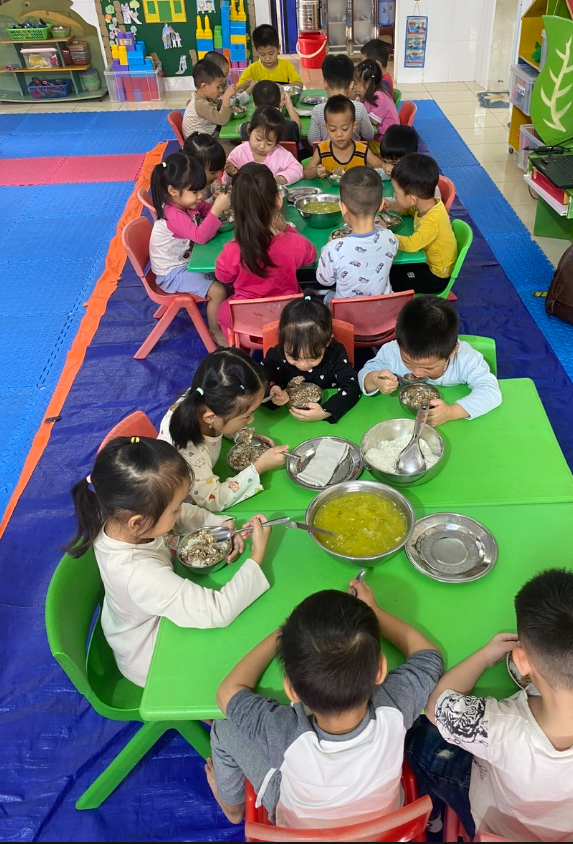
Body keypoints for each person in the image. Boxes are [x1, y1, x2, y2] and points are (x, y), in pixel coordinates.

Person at [206, 583, 443, 826]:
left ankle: (232, 810)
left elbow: (227, 693)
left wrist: (285, 633)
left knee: (223, 727)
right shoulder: (393, 707)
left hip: (300, 831)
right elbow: (429, 657)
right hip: (383, 830)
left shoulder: (284, 734)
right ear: (380, 669)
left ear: (292, 691)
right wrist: (375, 611)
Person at [64, 436, 272, 688]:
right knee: (243, 653)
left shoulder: (118, 517)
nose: (180, 511)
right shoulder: (139, 573)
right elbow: (218, 610)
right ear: (138, 522)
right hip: (151, 657)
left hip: (140, 622)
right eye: (175, 509)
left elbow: (181, 514)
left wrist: (221, 524)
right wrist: (257, 555)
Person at [406, 568, 573, 842]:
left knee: (419, 739)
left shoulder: (500, 725)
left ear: (521, 661)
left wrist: (485, 656)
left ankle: (433, 816)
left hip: (495, 824)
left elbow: (436, 706)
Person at [158, 348, 289, 511]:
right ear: (210, 417)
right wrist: (259, 467)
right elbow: (213, 499)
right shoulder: (188, 451)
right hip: (184, 508)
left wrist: (243, 434)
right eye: (247, 416)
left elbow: (223, 423)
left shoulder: (206, 399)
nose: (252, 420)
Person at [358, 295, 502, 425]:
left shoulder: (465, 359)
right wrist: (375, 380)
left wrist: (452, 412)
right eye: (408, 362)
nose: (417, 373)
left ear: (452, 352)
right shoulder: (392, 351)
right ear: (399, 343)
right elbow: (365, 373)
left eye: (429, 368)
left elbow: (490, 391)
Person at [216, 164, 315, 336]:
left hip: (249, 320)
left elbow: (222, 276)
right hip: (289, 318)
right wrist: (288, 229)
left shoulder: (233, 249)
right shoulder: (294, 243)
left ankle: (237, 347)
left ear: (235, 208)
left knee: (222, 312)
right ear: (278, 200)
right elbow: (311, 255)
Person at [149, 152, 231, 347]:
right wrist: (217, 209)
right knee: (219, 291)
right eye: (194, 192)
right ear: (173, 190)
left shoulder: (184, 202)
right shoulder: (173, 214)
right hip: (171, 273)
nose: (200, 196)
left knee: (227, 275)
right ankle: (216, 332)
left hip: (185, 261)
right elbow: (200, 236)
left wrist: (215, 204)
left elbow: (204, 209)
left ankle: (225, 317)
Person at [262, 296, 361, 423]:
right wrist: (269, 393)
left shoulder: (335, 353)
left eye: (312, 357)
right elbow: (255, 380)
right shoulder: (276, 354)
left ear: (327, 341)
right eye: (293, 357)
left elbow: (352, 386)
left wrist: (326, 411)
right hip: (284, 420)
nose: (302, 364)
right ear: (283, 342)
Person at [316, 167, 397, 304]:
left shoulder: (333, 249)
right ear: (381, 205)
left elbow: (324, 280)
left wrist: (329, 245)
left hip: (347, 313)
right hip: (381, 309)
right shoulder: (389, 238)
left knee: (327, 296)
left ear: (342, 208)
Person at [384, 152, 457, 294]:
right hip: (426, 262)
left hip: (435, 275)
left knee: (391, 279)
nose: (394, 195)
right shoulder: (428, 205)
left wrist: (386, 235)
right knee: (389, 268)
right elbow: (409, 210)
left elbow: (412, 245)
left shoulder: (432, 220)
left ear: (412, 198)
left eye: (395, 191)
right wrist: (391, 206)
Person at [303, 96, 383, 179]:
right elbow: (306, 173)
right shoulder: (322, 150)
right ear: (326, 128)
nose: (339, 134)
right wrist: (316, 171)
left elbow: (381, 167)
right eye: (333, 129)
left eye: (345, 129)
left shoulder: (362, 151)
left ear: (354, 127)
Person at [222, 106, 303, 186]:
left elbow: (298, 169)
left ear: (276, 141)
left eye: (269, 143)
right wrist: (230, 175)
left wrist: (280, 179)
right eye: (258, 139)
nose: (262, 146)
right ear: (249, 131)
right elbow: (225, 183)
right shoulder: (238, 154)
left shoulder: (280, 154)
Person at [308, 53, 374, 144]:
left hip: (326, 153)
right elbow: (369, 136)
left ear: (325, 83)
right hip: (354, 153)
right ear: (351, 85)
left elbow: (313, 141)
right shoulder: (359, 108)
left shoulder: (318, 110)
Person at [236, 24, 302, 94]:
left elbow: (299, 84)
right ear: (257, 51)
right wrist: (246, 84)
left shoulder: (286, 66)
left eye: (271, 53)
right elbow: (239, 88)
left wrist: (281, 88)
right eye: (262, 54)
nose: (267, 58)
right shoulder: (252, 69)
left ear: (278, 48)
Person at [182, 59, 236, 138]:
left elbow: (219, 104)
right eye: (218, 87)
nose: (221, 90)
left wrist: (230, 107)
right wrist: (226, 97)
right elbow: (222, 120)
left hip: (208, 136)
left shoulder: (205, 97)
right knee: (235, 140)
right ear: (204, 87)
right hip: (200, 143)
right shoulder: (200, 104)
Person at [354, 59, 399, 154]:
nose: (355, 87)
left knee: (356, 143)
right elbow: (359, 104)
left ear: (368, 84)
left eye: (356, 83)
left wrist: (358, 114)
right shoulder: (370, 94)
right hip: (383, 137)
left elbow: (373, 120)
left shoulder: (379, 96)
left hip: (385, 142)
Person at [239, 80, 301, 146]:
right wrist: (289, 105)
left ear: (254, 106)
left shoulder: (249, 128)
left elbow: (239, 128)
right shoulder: (289, 127)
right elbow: (298, 126)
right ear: (280, 103)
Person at [182, 131, 226, 196]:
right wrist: (213, 199)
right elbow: (199, 202)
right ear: (196, 168)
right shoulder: (188, 189)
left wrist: (220, 190)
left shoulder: (206, 178)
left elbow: (213, 185)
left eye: (220, 169)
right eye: (213, 173)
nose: (218, 174)